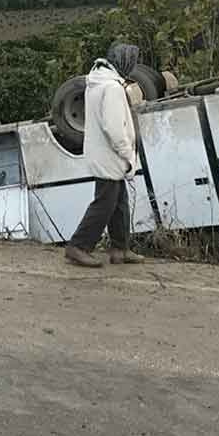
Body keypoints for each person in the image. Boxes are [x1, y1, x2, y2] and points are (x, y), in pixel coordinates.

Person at [64, 42, 147, 268]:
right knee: (105, 203)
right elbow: (114, 127)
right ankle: (79, 246)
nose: (133, 66)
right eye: (132, 62)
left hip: (102, 152)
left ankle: (120, 249)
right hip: (110, 154)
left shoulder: (98, 81)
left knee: (119, 201)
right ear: (123, 62)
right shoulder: (111, 88)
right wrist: (127, 154)